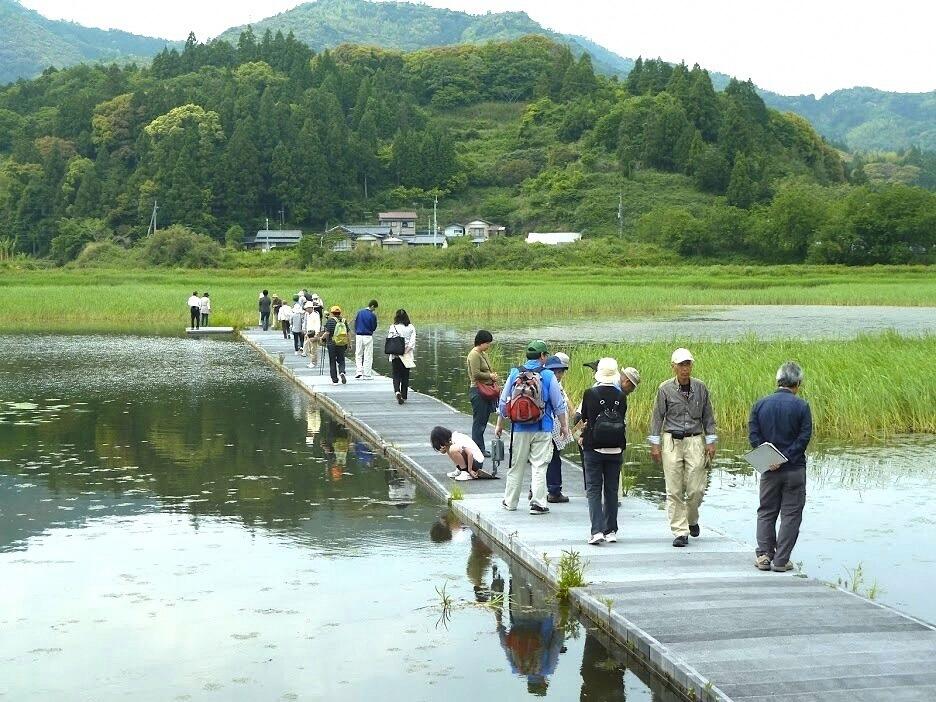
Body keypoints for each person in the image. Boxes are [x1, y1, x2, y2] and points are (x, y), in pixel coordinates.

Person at [648, 348, 717, 547]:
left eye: (687, 364)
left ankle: (691, 519)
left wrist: (711, 441)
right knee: (674, 488)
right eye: (681, 365)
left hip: (695, 439)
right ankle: (680, 531)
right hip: (672, 439)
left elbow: (708, 416)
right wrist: (655, 445)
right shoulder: (665, 389)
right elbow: (657, 417)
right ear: (674, 367)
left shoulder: (701, 388)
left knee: (697, 488)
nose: (685, 369)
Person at [749, 361, 813, 573]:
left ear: (778, 381)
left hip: (769, 469)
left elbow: (754, 436)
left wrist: (770, 459)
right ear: (798, 383)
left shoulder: (760, 405)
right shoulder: (802, 406)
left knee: (766, 511)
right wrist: (786, 457)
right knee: (791, 515)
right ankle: (781, 560)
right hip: (794, 469)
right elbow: (804, 438)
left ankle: (765, 555)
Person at [494, 340, 570, 516]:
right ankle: (538, 503)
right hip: (543, 427)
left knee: (516, 465)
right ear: (543, 356)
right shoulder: (548, 375)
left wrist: (499, 423)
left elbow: (505, 401)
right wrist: (564, 426)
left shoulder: (515, 373)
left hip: (519, 428)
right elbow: (558, 405)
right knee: (539, 465)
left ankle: (510, 502)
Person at [579, 358, 628, 545]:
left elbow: (585, 417)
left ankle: (596, 531)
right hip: (615, 448)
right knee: (611, 490)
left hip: (594, 447)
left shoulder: (590, 394)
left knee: (593, 489)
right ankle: (611, 531)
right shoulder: (621, 396)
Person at [544, 354, 572, 503]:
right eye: (560, 371)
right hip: (553, 427)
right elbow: (559, 407)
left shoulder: (540, 380)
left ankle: (535, 490)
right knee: (554, 459)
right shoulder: (554, 384)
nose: (561, 374)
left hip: (540, 427)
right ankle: (554, 491)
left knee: (541, 459)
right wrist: (564, 426)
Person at [467, 330, 499, 455]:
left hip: (486, 390)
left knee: (483, 421)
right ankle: (477, 449)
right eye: (487, 343)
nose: (488, 346)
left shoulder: (482, 353)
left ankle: (481, 448)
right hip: (478, 391)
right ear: (481, 342)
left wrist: (492, 376)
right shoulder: (474, 354)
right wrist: (490, 376)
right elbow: (475, 374)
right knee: (478, 423)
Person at [387, 309, 416, 404]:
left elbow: (390, 339)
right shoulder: (411, 327)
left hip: (396, 354)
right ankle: (404, 395)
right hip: (407, 355)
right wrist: (405, 351)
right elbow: (412, 343)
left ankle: (397, 391)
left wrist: (398, 351)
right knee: (405, 376)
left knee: (396, 375)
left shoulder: (393, 327)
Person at [322, 305, 349, 384]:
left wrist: (322, 338)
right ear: (339, 312)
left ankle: (335, 380)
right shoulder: (344, 321)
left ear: (332, 313)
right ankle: (342, 372)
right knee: (341, 360)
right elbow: (348, 333)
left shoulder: (330, 321)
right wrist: (349, 343)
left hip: (332, 344)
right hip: (342, 343)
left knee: (332, 361)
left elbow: (327, 333)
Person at [353, 299, 379, 380]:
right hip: (368, 336)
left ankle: (359, 371)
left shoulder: (359, 312)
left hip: (359, 335)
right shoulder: (372, 315)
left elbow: (355, 323)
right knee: (368, 355)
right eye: (374, 308)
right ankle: (367, 374)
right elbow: (374, 327)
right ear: (372, 306)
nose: (374, 310)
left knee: (358, 354)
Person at [303, 301, 322, 365]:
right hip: (309, 333)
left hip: (314, 333)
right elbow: (308, 325)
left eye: (307, 308)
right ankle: (311, 361)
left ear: (311, 308)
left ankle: (314, 362)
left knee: (313, 348)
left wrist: (316, 334)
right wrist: (306, 333)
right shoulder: (308, 315)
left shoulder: (315, 315)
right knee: (309, 349)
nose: (306, 309)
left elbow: (317, 325)